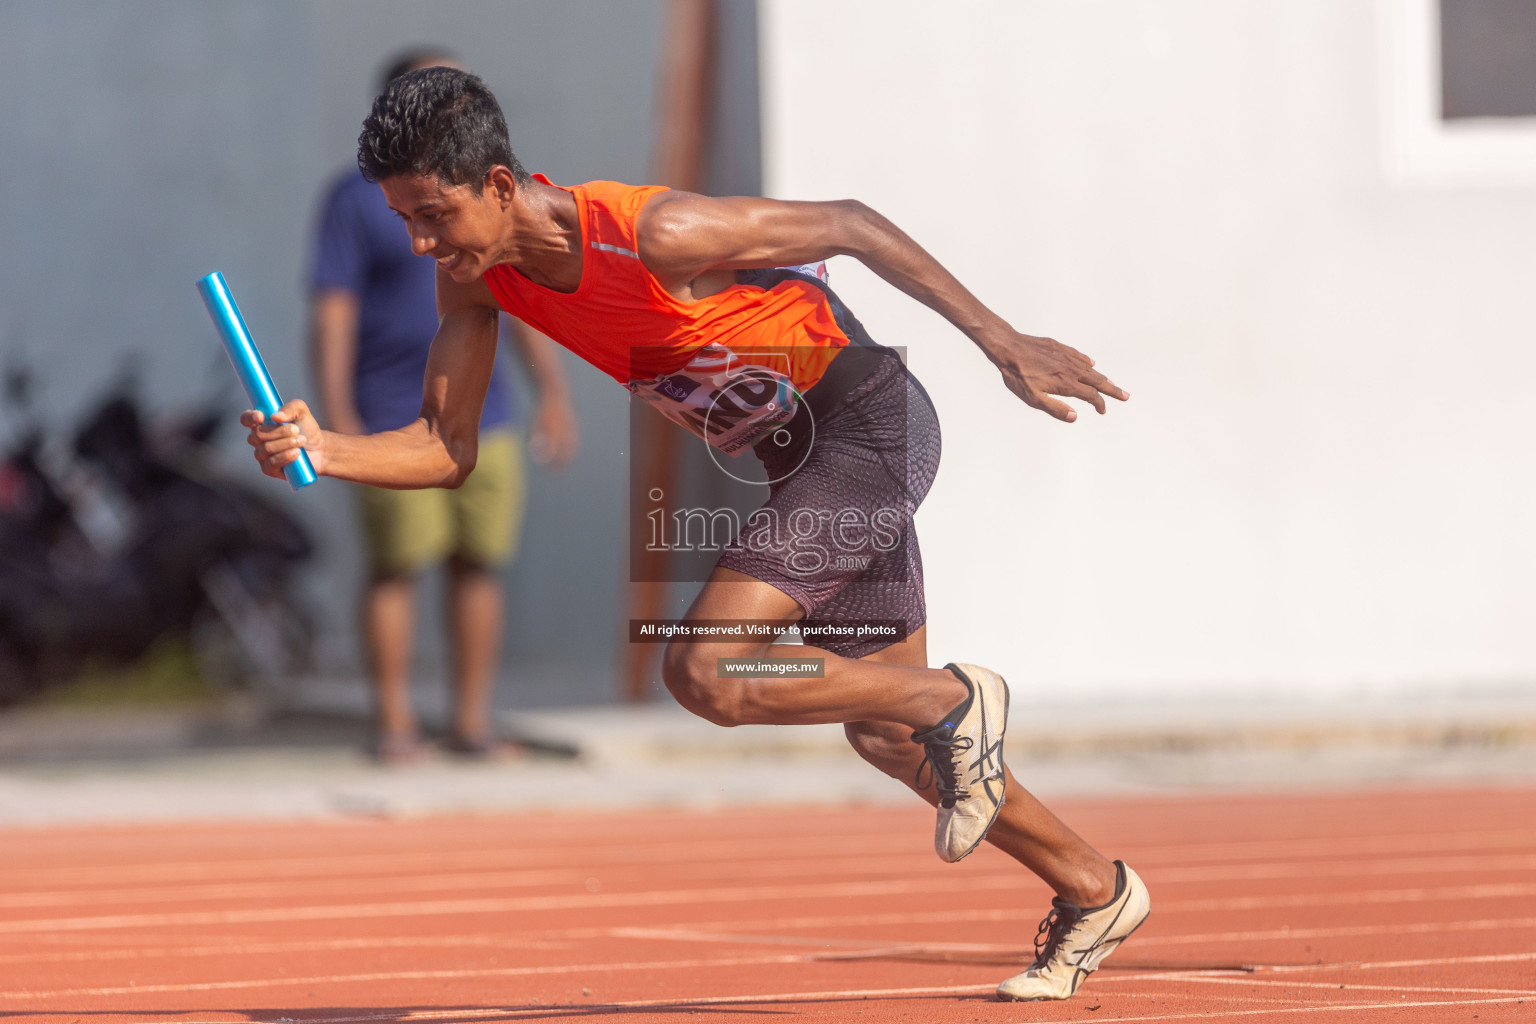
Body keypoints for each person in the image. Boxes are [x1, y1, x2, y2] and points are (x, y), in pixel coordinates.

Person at [248, 67, 1145, 1001]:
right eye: (405, 222)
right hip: (802, 464)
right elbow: (446, 445)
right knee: (881, 731)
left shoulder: (651, 233)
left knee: (708, 670)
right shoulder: (478, 286)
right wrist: (323, 447)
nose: (422, 241)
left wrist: (1005, 343)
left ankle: (949, 695)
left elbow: (851, 221)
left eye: (433, 214)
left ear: (502, 186)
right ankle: (1093, 885)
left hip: (866, 427)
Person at [308, 53, 577, 763]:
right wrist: (340, 424)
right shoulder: (355, 201)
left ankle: (471, 724)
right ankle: (395, 724)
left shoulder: (490, 197)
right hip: (391, 411)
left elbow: (516, 300)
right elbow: (333, 313)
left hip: (489, 413)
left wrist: (551, 393)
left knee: (479, 564)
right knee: (398, 567)